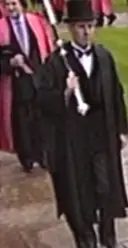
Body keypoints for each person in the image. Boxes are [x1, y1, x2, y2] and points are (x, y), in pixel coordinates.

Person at [35, 0, 128, 248]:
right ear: (70, 28)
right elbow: (41, 99)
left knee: (105, 185)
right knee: (80, 190)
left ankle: (108, 237)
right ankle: (87, 242)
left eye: (89, 26)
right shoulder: (56, 62)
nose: (86, 32)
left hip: (101, 133)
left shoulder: (103, 56)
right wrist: (65, 91)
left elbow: (116, 93)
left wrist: (121, 129)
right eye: (80, 27)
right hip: (72, 138)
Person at [0, 0, 55, 171]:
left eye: (13, 3)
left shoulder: (36, 22)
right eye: (7, 4)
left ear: (22, 4)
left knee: (41, 117)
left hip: (38, 78)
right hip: (16, 82)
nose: (10, 8)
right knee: (21, 120)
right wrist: (10, 63)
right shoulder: (1, 28)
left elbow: (47, 48)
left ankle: (43, 154)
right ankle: (27, 157)